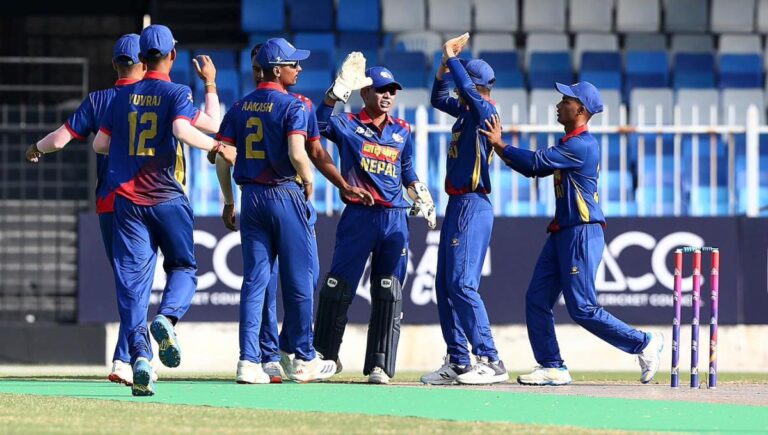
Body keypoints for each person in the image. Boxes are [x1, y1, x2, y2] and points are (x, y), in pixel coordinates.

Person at [478, 81, 664, 385]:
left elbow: (534, 163)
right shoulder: (570, 143)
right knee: (536, 299)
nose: (558, 105)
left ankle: (644, 342)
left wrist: (500, 145)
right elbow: (533, 169)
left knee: (582, 308)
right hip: (561, 233)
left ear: (581, 110)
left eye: (565, 101)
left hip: (581, 232)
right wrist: (501, 148)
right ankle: (552, 366)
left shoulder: (581, 145)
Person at [213, 42, 372, 384]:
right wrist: (309, 180)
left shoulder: (238, 107)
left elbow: (222, 159)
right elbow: (301, 153)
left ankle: (249, 361)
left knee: (255, 281)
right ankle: (303, 358)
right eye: (292, 64)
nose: (298, 69)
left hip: (250, 198)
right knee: (301, 279)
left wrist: (228, 201)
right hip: (285, 194)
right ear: (276, 70)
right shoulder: (296, 104)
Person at [92, 24, 237, 396]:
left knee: (133, 287)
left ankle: (140, 357)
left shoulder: (119, 98)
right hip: (168, 197)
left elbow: (100, 145)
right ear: (172, 55)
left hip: (127, 202)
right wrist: (217, 145)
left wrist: (128, 147)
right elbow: (193, 129)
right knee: (183, 267)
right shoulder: (177, 92)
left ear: (142, 58)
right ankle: (168, 319)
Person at [25, 34, 153, 387]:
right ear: (144, 64)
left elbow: (60, 138)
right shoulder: (157, 98)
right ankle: (129, 358)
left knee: (128, 283)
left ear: (114, 64)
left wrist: (36, 148)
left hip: (109, 202)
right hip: (147, 200)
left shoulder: (99, 100)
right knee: (137, 284)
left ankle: (125, 357)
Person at [312, 54, 436, 384]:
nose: (387, 95)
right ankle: (325, 357)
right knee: (338, 287)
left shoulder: (402, 130)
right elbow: (316, 127)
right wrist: (334, 94)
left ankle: (379, 365)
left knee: (388, 290)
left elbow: (406, 169)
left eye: (392, 91)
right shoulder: (347, 124)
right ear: (365, 92)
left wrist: (419, 191)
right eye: (381, 89)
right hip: (359, 217)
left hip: (395, 218)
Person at [420, 33, 509, 386]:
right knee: (445, 285)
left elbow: (467, 92)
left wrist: (451, 58)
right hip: (457, 204)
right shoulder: (466, 113)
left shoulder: (485, 111)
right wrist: (444, 66)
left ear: (470, 84)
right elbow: (437, 98)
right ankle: (458, 360)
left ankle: (490, 358)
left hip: (473, 203)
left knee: (461, 283)